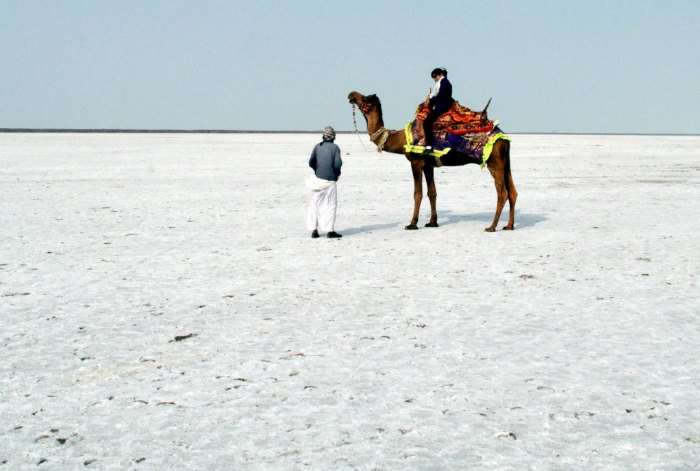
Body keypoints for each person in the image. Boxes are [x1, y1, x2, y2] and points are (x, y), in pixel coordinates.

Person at [306, 126, 343, 239]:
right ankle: (330, 231)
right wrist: (336, 175)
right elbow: (337, 164)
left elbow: (311, 162)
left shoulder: (317, 146)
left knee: (314, 205)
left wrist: (318, 171)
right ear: (333, 137)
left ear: (323, 136)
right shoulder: (335, 148)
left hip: (317, 180)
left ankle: (314, 230)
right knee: (330, 205)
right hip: (330, 181)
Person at [418, 67, 454, 148]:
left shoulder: (444, 83)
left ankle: (429, 142)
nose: (434, 79)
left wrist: (431, 101)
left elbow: (441, 96)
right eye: (433, 77)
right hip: (440, 105)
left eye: (435, 77)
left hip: (442, 107)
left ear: (440, 74)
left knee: (426, 122)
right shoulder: (442, 82)